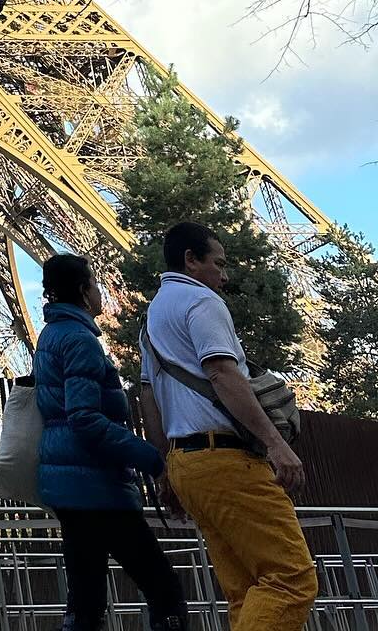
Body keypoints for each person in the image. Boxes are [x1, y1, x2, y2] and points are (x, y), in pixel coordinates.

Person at [140, 224, 316, 631]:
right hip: (227, 459)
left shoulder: (151, 319)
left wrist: (167, 466)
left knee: (246, 589)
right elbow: (221, 372)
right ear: (191, 260)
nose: (225, 274)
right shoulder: (201, 301)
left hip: (189, 464)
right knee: (292, 578)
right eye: (218, 263)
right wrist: (275, 443)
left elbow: (148, 397)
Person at [33, 253, 187, 631]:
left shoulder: (50, 335)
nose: (101, 292)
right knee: (164, 591)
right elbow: (85, 418)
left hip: (66, 485)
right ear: (85, 292)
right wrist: (151, 458)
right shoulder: (79, 339)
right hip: (95, 485)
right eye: (96, 284)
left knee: (85, 600)